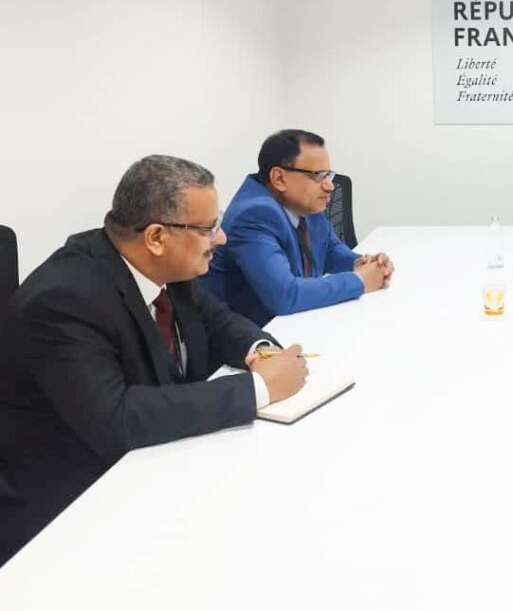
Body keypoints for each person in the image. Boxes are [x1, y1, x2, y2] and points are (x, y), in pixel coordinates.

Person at [0, 156, 309, 565]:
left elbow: (218, 322)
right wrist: (260, 388)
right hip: (71, 514)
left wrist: (263, 353)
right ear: (157, 237)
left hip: (153, 469)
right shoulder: (63, 300)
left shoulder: (162, 267)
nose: (221, 238)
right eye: (208, 228)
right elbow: (117, 419)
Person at [202, 130, 393, 326]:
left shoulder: (306, 204)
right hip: (259, 333)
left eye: (328, 174)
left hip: (300, 323)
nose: (329, 186)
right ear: (279, 178)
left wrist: (363, 264)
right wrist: (360, 281)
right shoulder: (253, 215)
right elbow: (284, 295)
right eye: (318, 175)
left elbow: (329, 249)